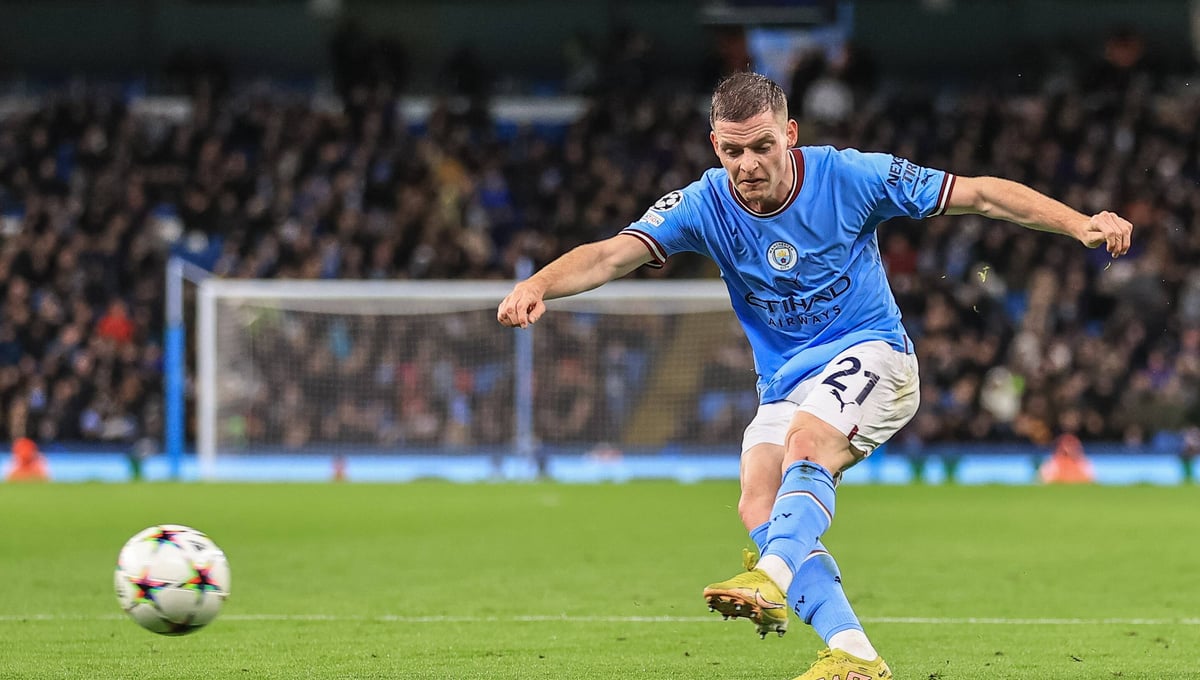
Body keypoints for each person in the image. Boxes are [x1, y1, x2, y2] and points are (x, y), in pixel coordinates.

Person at [496, 71, 1133, 680]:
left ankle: (770, 576)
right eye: (733, 151)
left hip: (876, 354)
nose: (748, 165)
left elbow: (980, 194)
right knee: (758, 500)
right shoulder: (704, 203)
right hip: (785, 382)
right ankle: (853, 653)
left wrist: (1079, 223)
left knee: (807, 442)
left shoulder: (849, 176)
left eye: (762, 146)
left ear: (791, 135)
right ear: (715, 146)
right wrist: (538, 284)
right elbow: (611, 254)